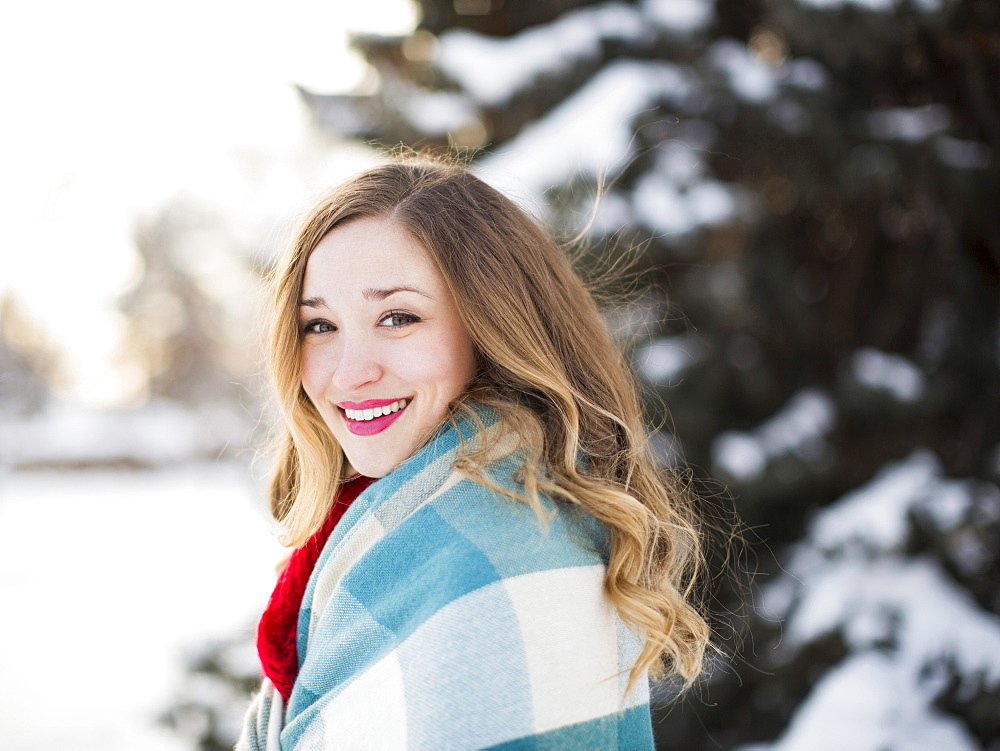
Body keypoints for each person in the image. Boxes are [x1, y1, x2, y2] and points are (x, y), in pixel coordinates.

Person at [238, 155, 710, 750]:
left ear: (492, 326)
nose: (351, 373)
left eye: (398, 317)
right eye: (320, 326)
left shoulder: (503, 545)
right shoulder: (382, 524)